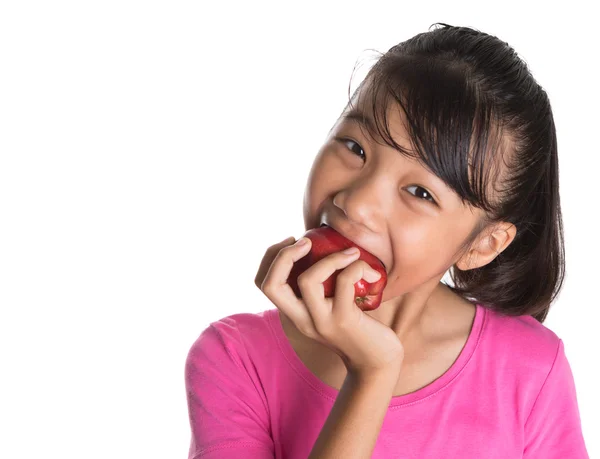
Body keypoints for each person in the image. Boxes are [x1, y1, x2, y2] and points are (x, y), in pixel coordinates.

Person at [184, 23, 589, 458]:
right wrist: (372, 375)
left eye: (420, 192)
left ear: (483, 245)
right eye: (355, 147)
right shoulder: (235, 359)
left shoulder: (531, 372)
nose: (357, 203)